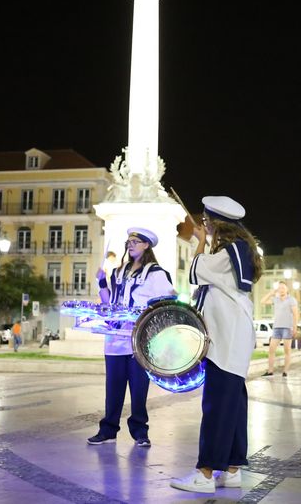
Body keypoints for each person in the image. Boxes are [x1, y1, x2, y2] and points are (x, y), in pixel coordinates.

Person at [170, 197, 260, 494]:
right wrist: (206, 236)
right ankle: (232, 470)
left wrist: (199, 239)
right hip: (234, 338)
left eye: (207, 222)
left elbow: (195, 270)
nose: (204, 226)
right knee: (233, 405)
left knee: (216, 406)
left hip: (225, 341)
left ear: (216, 224)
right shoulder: (238, 251)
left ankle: (205, 474)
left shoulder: (225, 254)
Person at [88, 228, 175, 448]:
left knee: (139, 389)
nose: (130, 244)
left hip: (139, 340)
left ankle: (140, 431)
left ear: (147, 245)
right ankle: (108, 430)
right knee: (113, 388)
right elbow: (110, 302)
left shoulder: (157, 274)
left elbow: (165, 303)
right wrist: (101, 282)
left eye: (136, 241)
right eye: (129, 241)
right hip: (115, 340)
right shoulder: (118, 272)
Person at [261, 281, 299, 377]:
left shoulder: (291, 300)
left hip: (287, 328)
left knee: (287, 350)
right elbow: (262, 301)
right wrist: (271, 293)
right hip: (277, 328)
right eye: (280, 288)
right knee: (271, 350)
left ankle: (285, 371)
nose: (281, 290)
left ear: (287, 289)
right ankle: (270, 371)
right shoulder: (276, 299)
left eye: (283, 288)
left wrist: (294, 327)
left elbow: (295, 314)